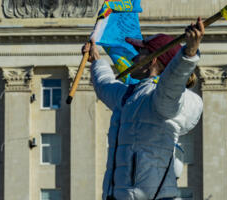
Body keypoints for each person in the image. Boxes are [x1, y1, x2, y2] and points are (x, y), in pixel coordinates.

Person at [83, 18, 205, 200]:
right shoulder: (130, 95)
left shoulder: (162, 99)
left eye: (139, 52)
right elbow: (105, 85)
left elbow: (172, 83)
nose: (133, 58)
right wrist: (96, 59)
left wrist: (188, 54)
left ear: (152, 60)